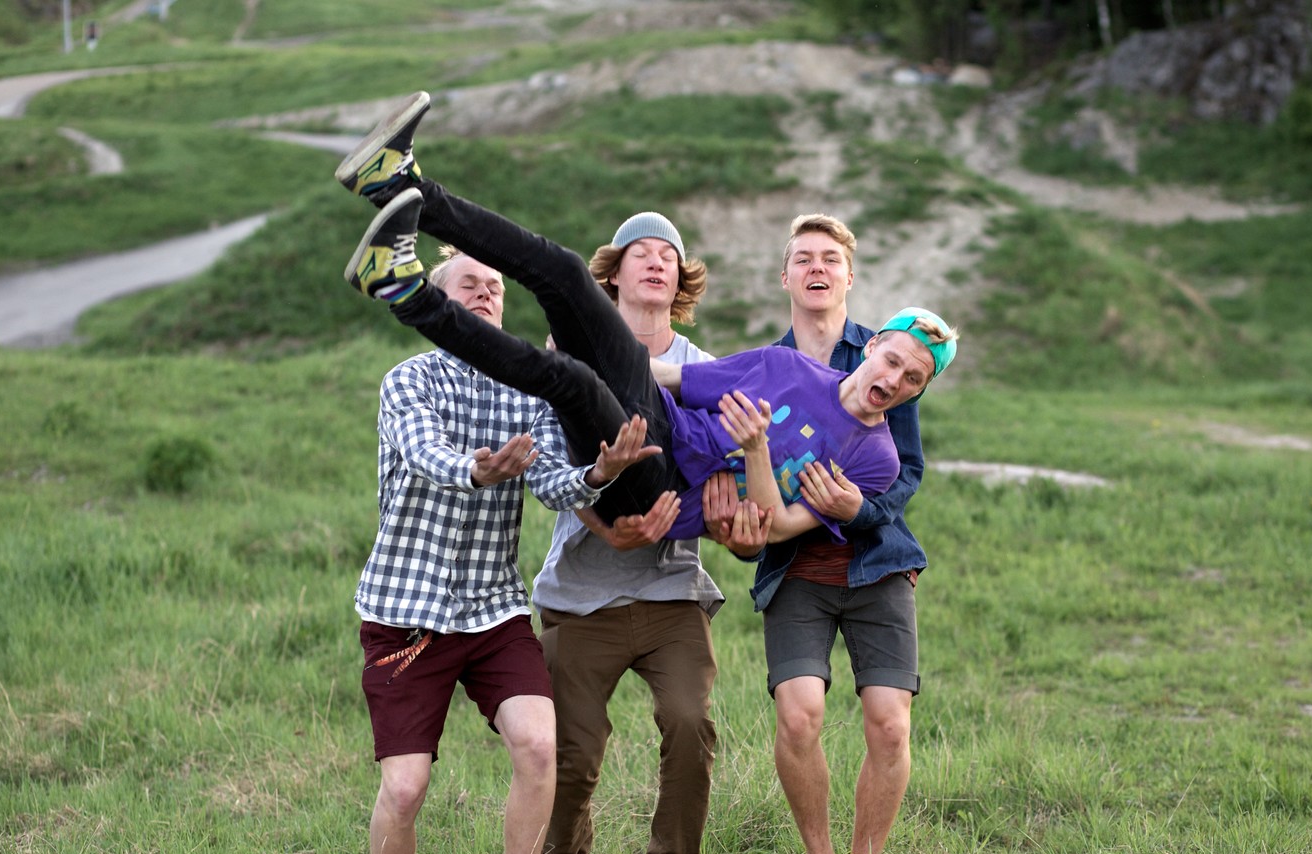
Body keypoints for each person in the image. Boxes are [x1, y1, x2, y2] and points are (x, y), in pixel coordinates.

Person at [334, 93, 951, 551]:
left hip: (662, 489)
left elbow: (775, 527)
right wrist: (597, 345)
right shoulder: (785, 366)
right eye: (895, 360)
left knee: (570, 382)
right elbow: (670, 378)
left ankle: (406, 293)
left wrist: (756, 449)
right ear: (875, 345)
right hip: (661, 420)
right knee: (565, 275)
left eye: (913, 380)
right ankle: (400, 183)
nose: (895, 379)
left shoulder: (878, 458)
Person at [355, 245, 654, 854]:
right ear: (438, 300)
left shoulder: (527, 394)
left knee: (539, 744)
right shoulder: (409, 380)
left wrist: (599, 473)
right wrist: (478, 470)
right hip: (407, 613)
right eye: (471, 283)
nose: (488, 293)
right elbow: (425, 453)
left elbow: (551, 482)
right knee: (405, 788)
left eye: (496, 285)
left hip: (494, 610)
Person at [528, 212, 759, 854]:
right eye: (642, 253)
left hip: (671, 589)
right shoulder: (572, 355)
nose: (657, 262)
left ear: (680, 278)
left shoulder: (703, 368)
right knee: (574, 748)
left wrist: (730, 518)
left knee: (691, 724)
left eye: (669, 255)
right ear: (614, 274)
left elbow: (735, 482)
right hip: (581, 592)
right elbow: (546, 471)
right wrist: (609, 524)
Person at [757, 213, 952, 854]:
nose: (818, 268)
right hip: (796, 569)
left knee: (890, 724)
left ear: (848, 276)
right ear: (785, 275)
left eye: (830, 259)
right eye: (804, 257)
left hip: (877, 565)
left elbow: (909, 470)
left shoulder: (891, 357)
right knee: (799, 715)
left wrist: (859, 510)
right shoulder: (770, 365)